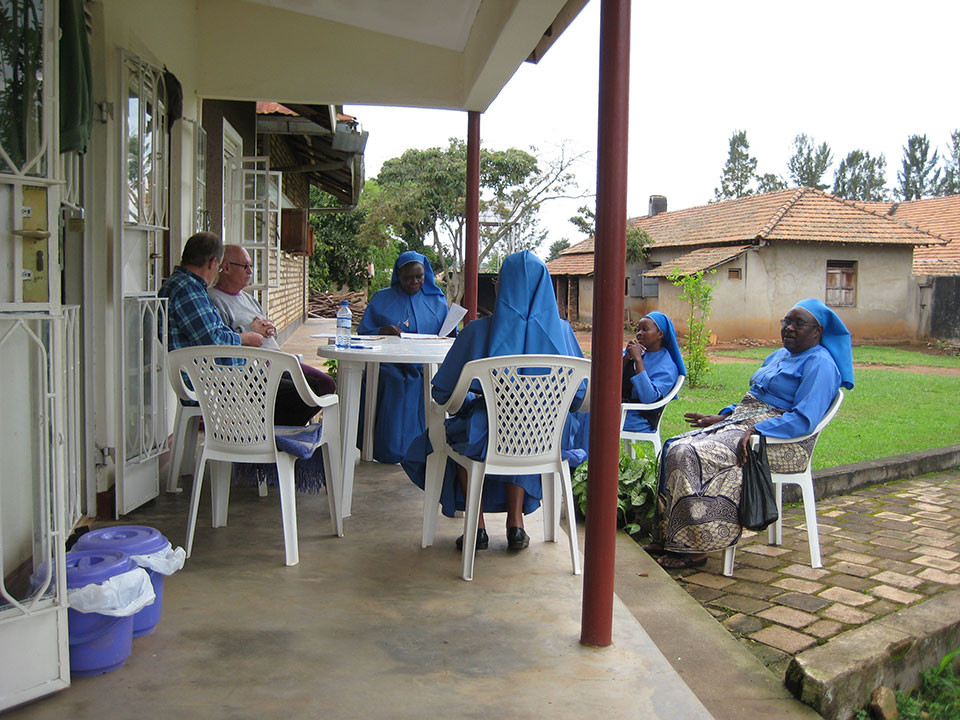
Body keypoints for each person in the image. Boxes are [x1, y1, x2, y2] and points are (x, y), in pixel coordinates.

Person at [402, 250, 588, 551]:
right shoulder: (564, 333)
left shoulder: (476, 331)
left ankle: (476, 527)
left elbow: (444, 394)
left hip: (488, 440)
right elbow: (581, 396)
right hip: (546, 440)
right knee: (521, 428)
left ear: (501, 286)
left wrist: (477, 396)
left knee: (464, 431)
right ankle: (516, 524)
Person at [648, 298, 854, 570]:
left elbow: (804, 419)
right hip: (746, 425)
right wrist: (724, 416)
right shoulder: (780, 355)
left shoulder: (821, 364)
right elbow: (755, 398)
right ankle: (671, 535)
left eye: (798, 324)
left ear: (818, 331)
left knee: (690, 453)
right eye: (787, 322)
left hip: (780, 440)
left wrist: (757, 429)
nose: (789, 328)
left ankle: (695, 547)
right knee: (673, 445)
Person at [160, 232, 331, 426]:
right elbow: (214, 341)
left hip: (224, 374)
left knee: (308, 387)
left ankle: (267, 443)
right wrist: (247, 337)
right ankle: (264, 445)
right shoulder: (188, 290)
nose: (216, 272)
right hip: (217, 381)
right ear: (213, 263)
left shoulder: (184, 286)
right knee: (301, 393)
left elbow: (216, 334)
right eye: (218, 267)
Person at [356, 251, 450, 463]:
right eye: (409, 277)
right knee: (395, 382)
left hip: (423, 365)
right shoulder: (382, 298)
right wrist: (382, 330)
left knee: (425, 382)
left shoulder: (437, 300)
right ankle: (386, 450)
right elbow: (364, 333)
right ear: (398, 275)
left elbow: (447, 335)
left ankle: (421, 449)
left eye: (419, 276)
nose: (415, 281)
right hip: (390, 365)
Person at [208, 244, 336, 395]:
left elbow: (270, 335)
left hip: (280, 361)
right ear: (227, 268)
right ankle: (273, 419)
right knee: (310, 390)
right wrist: (253, 332)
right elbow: (222, 342)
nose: (250, 271)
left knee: (326, 383)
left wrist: (270, 329)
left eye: (251, 266)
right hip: (254, 371)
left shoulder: (249, 299)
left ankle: (280, 419)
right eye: (245, 266)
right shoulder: (214, 300)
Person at [621, 311, 686, 434]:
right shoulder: (634, 353)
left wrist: (638, 360)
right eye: (638, 329)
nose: (639, 333)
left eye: (645, 329)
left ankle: (585, 453)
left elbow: (649, 398)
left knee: (593, 417)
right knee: (582, 411)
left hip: (640, 418)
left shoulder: (667, 365)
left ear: (660, 334)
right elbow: (610, 382)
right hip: (620, 409)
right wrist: (626, 359)